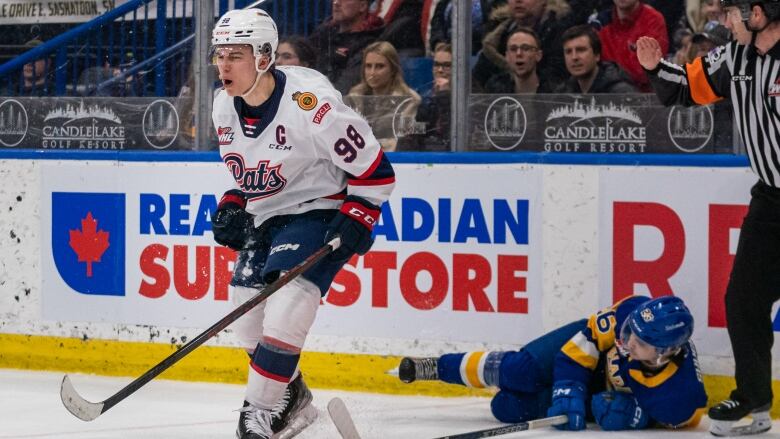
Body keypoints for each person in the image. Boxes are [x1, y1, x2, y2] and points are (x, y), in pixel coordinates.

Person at [210, 9, 396, 439]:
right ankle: (291, 397)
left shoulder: (313, 108)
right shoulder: (224, 107)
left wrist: (361, 214)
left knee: (289, 304)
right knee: (245, 310)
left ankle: (255, 414)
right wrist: (234, 203)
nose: (223, 66)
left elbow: (377, 172)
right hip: (271, 213)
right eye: (219, 55)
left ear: (263, 58)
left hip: (322, 206)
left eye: (235, 55)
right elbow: (249, 176)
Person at [636, 0, 780, 435]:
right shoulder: (735, 57)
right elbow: (685, 87)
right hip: (772, 201)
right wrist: (653, 65)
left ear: (758, 16)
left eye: (732, 12)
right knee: (743, 300)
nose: (723, 20)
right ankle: (755, 406)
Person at [398, 295, 707, 431]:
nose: (624, 342)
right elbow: (580, 347)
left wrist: (635, 416)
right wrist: (567, 388)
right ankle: (439, 367)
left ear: (662, 353)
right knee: (518, 371)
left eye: (637, 343)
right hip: (580, 360)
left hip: (599, 395)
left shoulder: (681, 395)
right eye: (627, 333)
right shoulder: (632, 311)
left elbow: (679, 418)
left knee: (506, 408)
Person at [347, 41, 421, 151]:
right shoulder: (355, 96)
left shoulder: (409, 100)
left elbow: (396, 143)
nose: (372, 72)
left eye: (379, 66)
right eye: (368, 66)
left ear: (392, 69)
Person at [307, 0, 385, 94]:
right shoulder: (322, 33)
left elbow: (345, 87)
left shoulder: (370, 42)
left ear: (363, 6)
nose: (336, 3)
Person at [592, 0, 668, 92]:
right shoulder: (600, 22)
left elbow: (646, 72)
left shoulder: (653, 20)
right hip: (608, 95)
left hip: (645, 98)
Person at [396, 42, 452, 151]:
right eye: (436, 65)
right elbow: (416, 130)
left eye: (447, 66)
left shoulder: (469, 94)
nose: (440, 70)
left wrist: (444, 96)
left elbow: (451, 133)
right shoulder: (427, 95)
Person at [555, 24, 637, 93]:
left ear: (597, 55)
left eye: (581, 50)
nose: (574, 57)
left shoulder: (621, 92)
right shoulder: (562, 93)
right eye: (568, 52)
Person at [483, 27, 554, 93]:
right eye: (513, 49)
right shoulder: (494, 89)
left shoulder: (554, 91)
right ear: (507, 56)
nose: (519, 53)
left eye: (526, 48)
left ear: (538, 55)